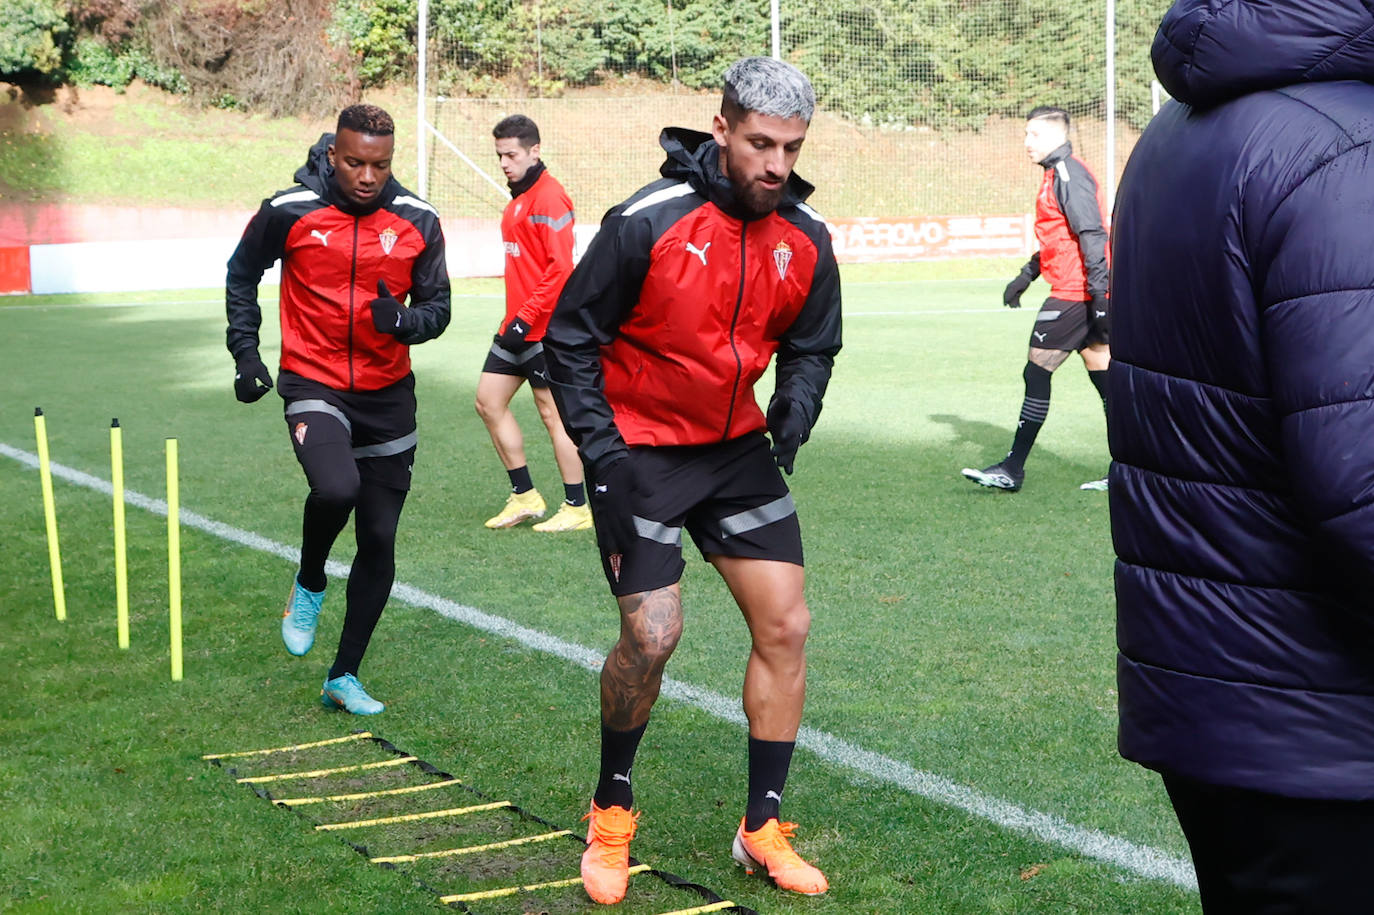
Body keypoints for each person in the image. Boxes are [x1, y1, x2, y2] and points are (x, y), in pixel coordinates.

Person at [543, 56, 841, 905]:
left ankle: (762, 828)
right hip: (637, 448)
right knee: (653, 635)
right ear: (721, 131)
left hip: (735, 449)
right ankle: (610, 813)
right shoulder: (647, 221)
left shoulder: (806, 237)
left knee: (787, 625)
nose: (776, 165)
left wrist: (797, 400)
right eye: (759, 144)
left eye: (790, 147)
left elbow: (814, 340)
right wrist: (601, 452)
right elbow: (569, 337)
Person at [1110, 0, 1374, 910]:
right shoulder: (1345, 144)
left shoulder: (1180, 126)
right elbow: (1363, 484)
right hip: (1323, 721)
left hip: (1222, 699)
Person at [225, 104, 450, 715]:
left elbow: (438, 308)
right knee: (336, 488)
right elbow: (241, 274)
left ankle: (343, 675)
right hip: (314, 382)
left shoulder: (418, 221)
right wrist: (246, 354)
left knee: (379, 538)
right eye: (354, 162)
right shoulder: (288, 211)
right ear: (332, 155)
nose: (368, 176)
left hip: (388, 396)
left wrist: (404, 321)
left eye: (380, 164)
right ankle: (310, 581)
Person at [961, 106, 1111, 493]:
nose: (1027, 143)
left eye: (1034, 135)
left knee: (1037, 372)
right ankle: (1131, 470)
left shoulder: (1067, 174)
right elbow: (1058, 240)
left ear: (1057, 137)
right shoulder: (1054, 175)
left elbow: (1092, 235)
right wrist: (1025, 276)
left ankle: (1012, 468)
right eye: (1026, 134)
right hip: (1077, 289)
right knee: (1109, 384)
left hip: (1075, 294)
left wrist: (1099, 296)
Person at [476, 114, 588, 531]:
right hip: (516, 326)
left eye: (511, 155)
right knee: (488, 401)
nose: (504, 163)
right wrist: (516, 319)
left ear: (534, 151)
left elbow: (561, 269)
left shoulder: (550, 198)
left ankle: (577, 508)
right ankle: (525, 496)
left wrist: (526, 317)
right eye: (500, 155)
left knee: (552, 415)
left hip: (542, 328)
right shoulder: (519, 197)